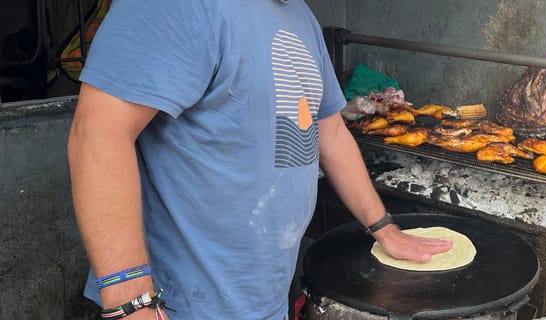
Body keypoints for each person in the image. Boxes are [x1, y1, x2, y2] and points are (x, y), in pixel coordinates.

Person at [66, 1, 452, 319]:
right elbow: (98, 133)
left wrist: (384, 228)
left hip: (262, 298)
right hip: (180, 305)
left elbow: (330, 133)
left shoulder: (301, 17)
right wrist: (132, 304)